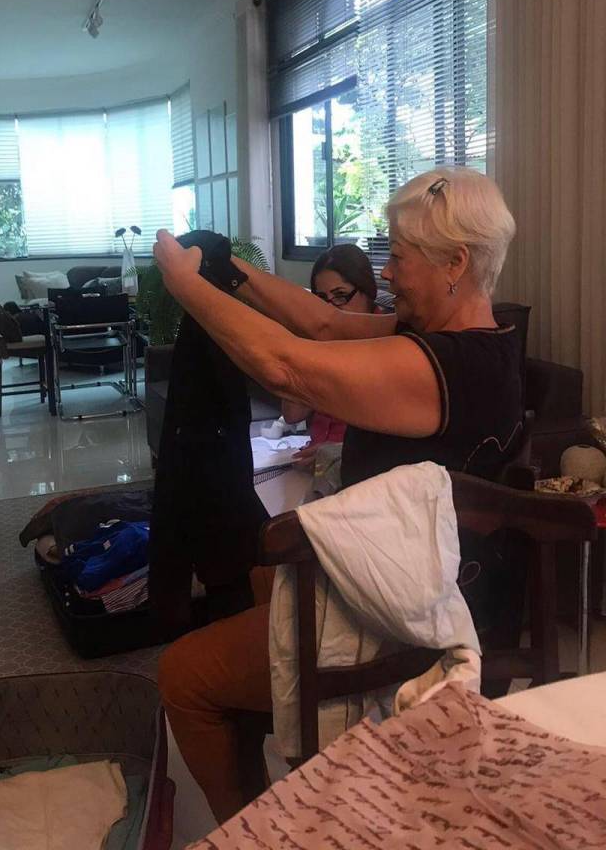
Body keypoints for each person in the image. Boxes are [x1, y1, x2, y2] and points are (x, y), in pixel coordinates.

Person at [154, 167, 525, 824]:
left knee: (182, 676)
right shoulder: (460, 343)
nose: (386, 273)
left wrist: (186, 286)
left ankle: (252, 832)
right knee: (253, 580)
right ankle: (288, 795)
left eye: (399, 257)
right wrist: (228, 270)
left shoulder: (449, 367)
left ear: (455, 263)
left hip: (404, 613)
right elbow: (322, 325)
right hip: (398, 576)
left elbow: (286, 365)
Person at [281, 243, 380, 467]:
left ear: (367, 292)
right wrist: (305, 345)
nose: (330, 309)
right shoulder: (324, 337)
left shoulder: (389, 344)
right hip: (314, 464)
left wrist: (338, 452)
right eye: (321, 299)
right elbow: (292, 414)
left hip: (361, 469)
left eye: (341, 296)